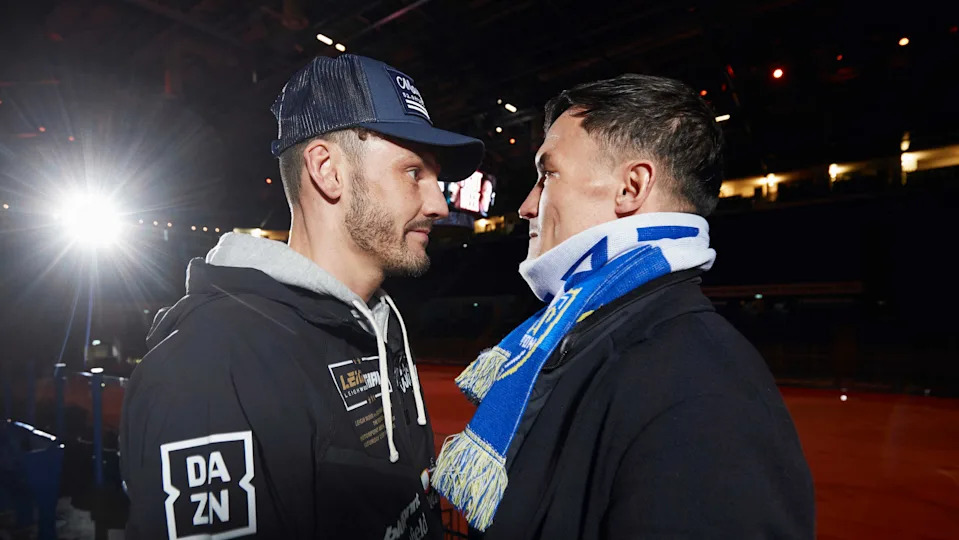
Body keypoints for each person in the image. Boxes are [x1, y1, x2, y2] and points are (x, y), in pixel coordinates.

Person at [432, 74, 815, 539]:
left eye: (547, 175)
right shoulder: (593, 335)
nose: (527, 206)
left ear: (632, 187)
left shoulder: (704, 390)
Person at [120, 54, 484, 539]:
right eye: (414, 172)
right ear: (327, 170)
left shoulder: (379, 325)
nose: (439, 204)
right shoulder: (212, 363)